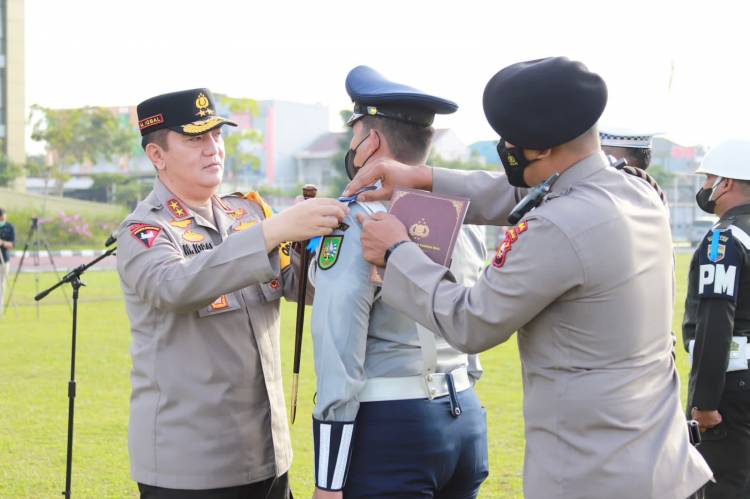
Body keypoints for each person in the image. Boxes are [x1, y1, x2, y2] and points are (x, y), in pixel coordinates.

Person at [345, 57, 712, 498]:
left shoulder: (557, 227)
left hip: (593, 476)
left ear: (537, 150)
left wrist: (397, 252)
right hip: (660, 461)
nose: (505, 148)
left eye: (508, 139)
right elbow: (523, 192)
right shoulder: (634, 189)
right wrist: (422, 178)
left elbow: (471, 321)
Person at [116, 88, 348, 498]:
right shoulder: (145, 231)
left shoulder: (249, 214)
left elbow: (304, 287)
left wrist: (327, 245)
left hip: (267, 455)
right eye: (195, 139)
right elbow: (175, 286)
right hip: (191, 468)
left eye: (216, 135)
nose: (213, 148)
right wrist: (273, 232)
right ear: (157, 155)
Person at [310, 66, 488, 499]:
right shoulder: (462, 215)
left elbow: (339, 351)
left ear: (371, 141)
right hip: (464, 413)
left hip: (392, 426)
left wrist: (328, 481)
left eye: (355, 134)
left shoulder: (357, 222)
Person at [682, 138, 750, 498]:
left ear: (727, 183)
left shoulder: (723, 240)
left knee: (722, 486)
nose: (706, 186)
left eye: (709, 178)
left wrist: (705, 402)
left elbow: (715, 322)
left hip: (732, 387)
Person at [0, 207, 15, 317]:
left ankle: (0, 309)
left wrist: (2, 243)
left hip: (4, 260)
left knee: (1, 285)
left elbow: (12, 244)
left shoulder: (9, 227)